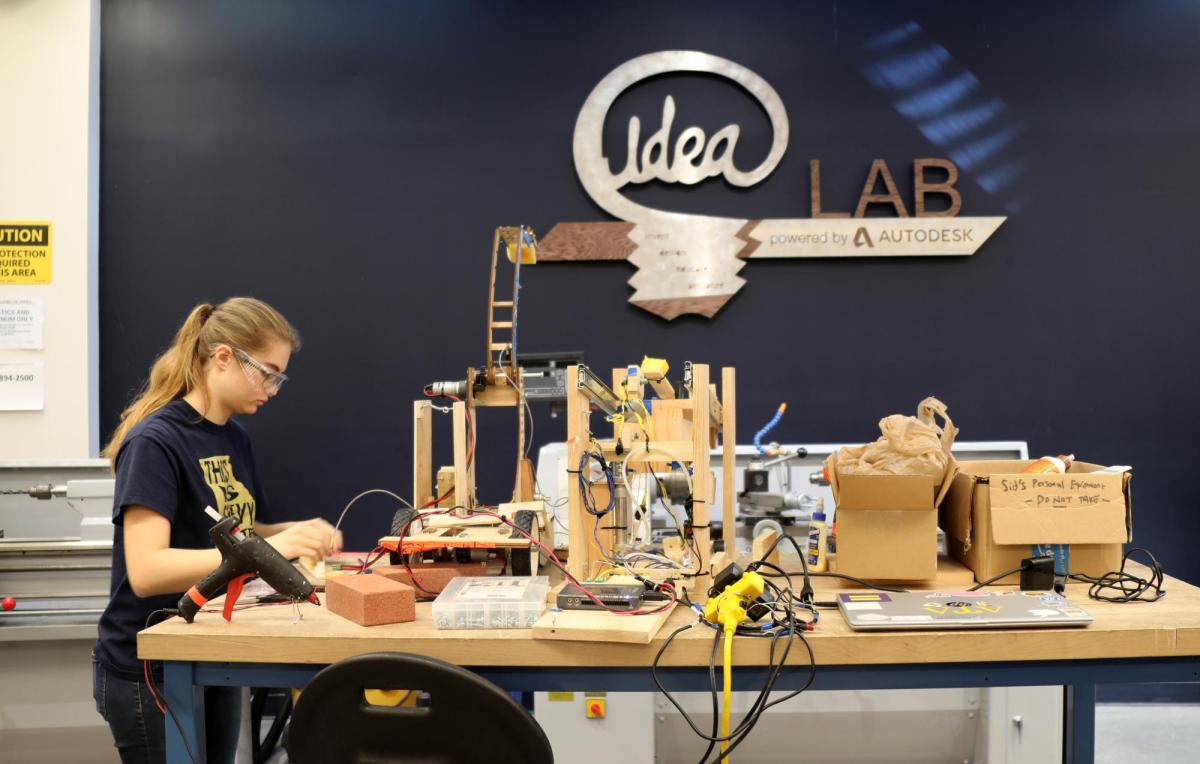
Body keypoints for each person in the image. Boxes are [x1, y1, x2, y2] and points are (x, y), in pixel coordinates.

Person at [92, 297, 341, 763]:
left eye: (280, 376)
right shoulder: (155, 441)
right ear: (223, 357)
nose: (274, 387)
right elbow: (146, 569)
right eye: (267, 372)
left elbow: (241, 529)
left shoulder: (232, 436)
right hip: (149, 665)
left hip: (210, 646)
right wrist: (269, 547)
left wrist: (298, 532)